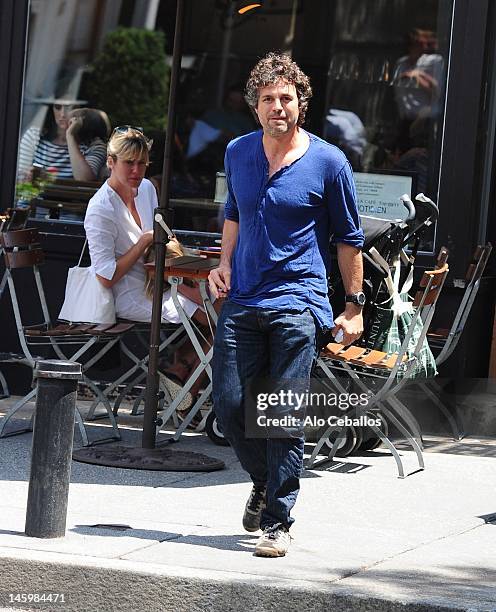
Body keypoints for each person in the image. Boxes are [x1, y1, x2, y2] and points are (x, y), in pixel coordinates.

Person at [208, 53, 365, 557]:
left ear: (302, 104)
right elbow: (234, 211)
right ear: (255, 107)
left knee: (279, 413)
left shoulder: (328, 162)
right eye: (268, 99)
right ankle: (262, 480)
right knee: (231, 408)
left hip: (298, 303)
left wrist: (354, 305)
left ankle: (278, 519)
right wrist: (222, 263)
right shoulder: (238, 152)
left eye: (286, 98)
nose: (278, 107)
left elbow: (348, 238)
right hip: (244, 297)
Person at [84, 127, 214, 417]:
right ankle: (182, 389)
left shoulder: (147, 189)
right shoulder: (100, 209)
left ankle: (179, 373)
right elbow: (105, 276)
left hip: (160, 282)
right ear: (110, 162)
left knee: (222, 311)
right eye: (129, 162)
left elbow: (160, 243)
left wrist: (171, 250)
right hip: (126, 294)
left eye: (142, 163)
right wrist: (144, 242)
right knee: (219, 321)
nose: (136, 170)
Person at [18, 103, 109, 181]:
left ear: (84, 112)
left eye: (70, 107)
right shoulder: (34, 135)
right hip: (33, 199)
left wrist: (70, 136)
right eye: (57, 107)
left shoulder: (94, 145)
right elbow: (19, 177)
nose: (62, 114)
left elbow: (84, 179)